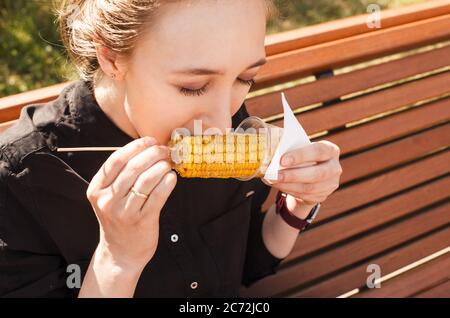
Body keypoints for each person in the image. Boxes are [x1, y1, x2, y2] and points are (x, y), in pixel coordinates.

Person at [0, 0, 342, 297]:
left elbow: (247, 264)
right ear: (110, 57)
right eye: (193, 87)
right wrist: (117, 262)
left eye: (245, 79)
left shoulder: (226, 116)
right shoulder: (21, 178)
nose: (223, 123)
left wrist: (298, 204)